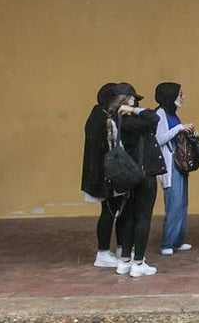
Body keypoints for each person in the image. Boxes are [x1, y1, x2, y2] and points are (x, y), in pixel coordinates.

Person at [112, 83, 164, 278]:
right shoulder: (133, 120)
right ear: (126, 100)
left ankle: (125, 260)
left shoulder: (119, 119)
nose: (137, 103)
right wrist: (134, 110)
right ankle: (138, 262)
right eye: (134, 100)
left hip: (130, 173)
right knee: (143, 217)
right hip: (145, 173)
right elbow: (154, 116)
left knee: (130, 217)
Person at [81, 82, 125, 266]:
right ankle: (103, 252)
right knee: (108, 212)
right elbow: (109, 147)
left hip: (103, 173)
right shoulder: (104, 120)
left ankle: (108, 250)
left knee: (111, 211)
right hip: (106, 175)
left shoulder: (99, 115)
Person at [154, 82, 196, 256]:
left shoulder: (172, 114)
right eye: (180, 93)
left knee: (182, 203)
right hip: (170, 165)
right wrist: (180, 128)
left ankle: (177, 240)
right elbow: (159, 139)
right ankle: (167, 243)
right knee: (173, 203)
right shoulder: (161, 113)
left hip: (178, 163)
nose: (182, 96)